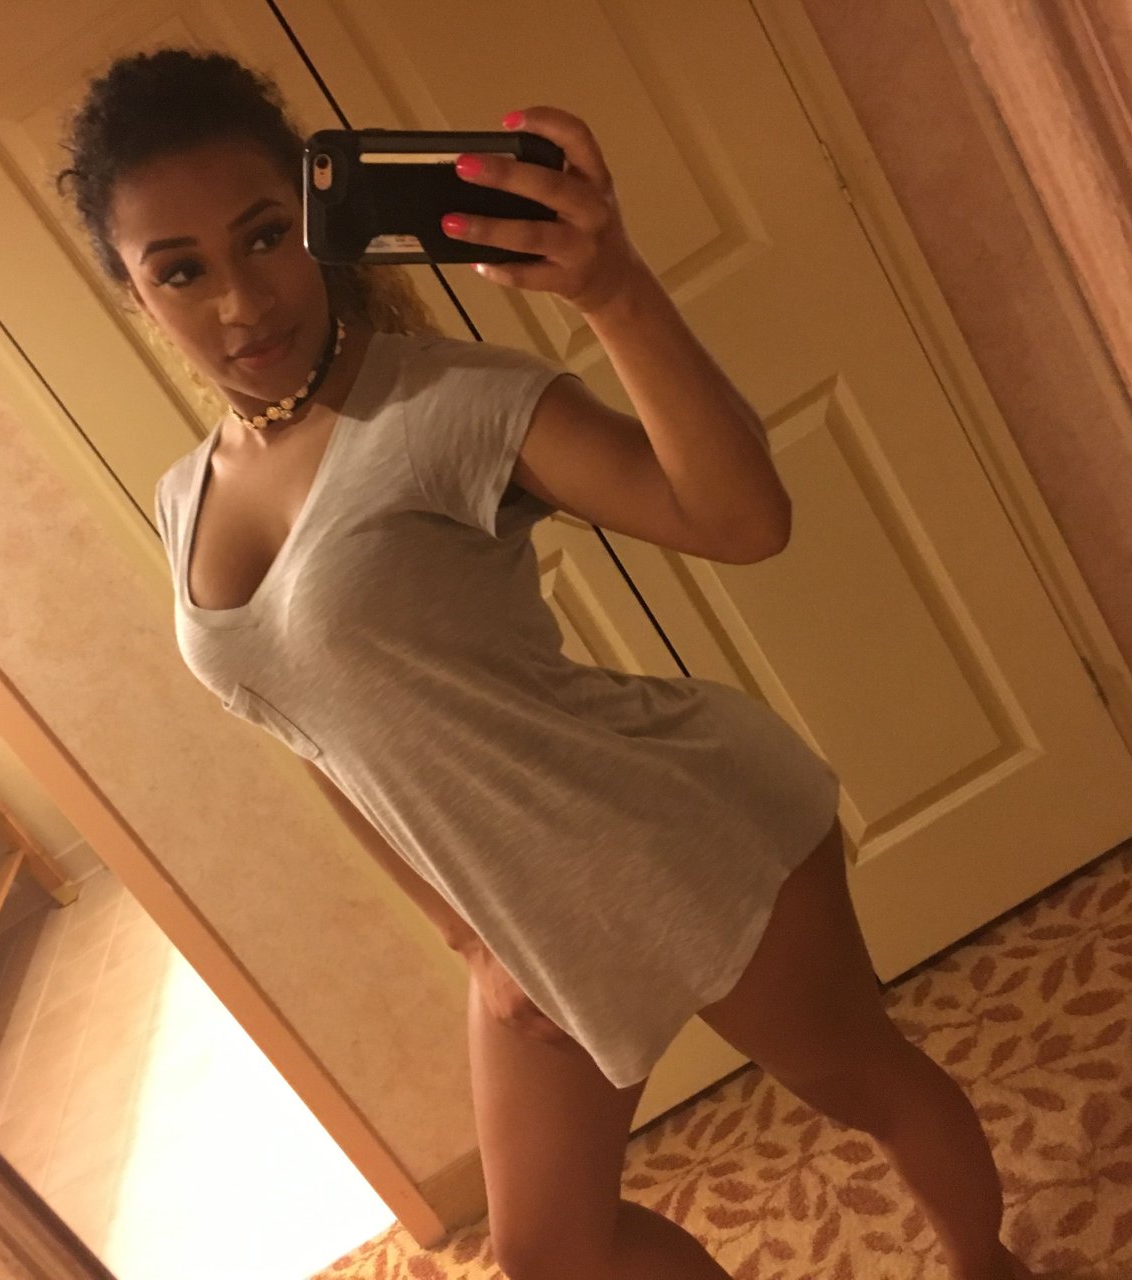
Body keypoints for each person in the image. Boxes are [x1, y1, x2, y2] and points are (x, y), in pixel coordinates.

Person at [56, 47, 1039, 1280]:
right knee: (550, 1254)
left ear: (320, 222)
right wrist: (464, 932)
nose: (241, 302)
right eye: (181, 269)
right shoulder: (181, 498)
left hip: (675, 828)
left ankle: (991, 1265)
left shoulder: (444, 402)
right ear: (135, 293)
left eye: (264, 236)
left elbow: (743, 520)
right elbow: (316, 737)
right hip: (520, 919)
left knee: (863, 1083)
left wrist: (614, 293)